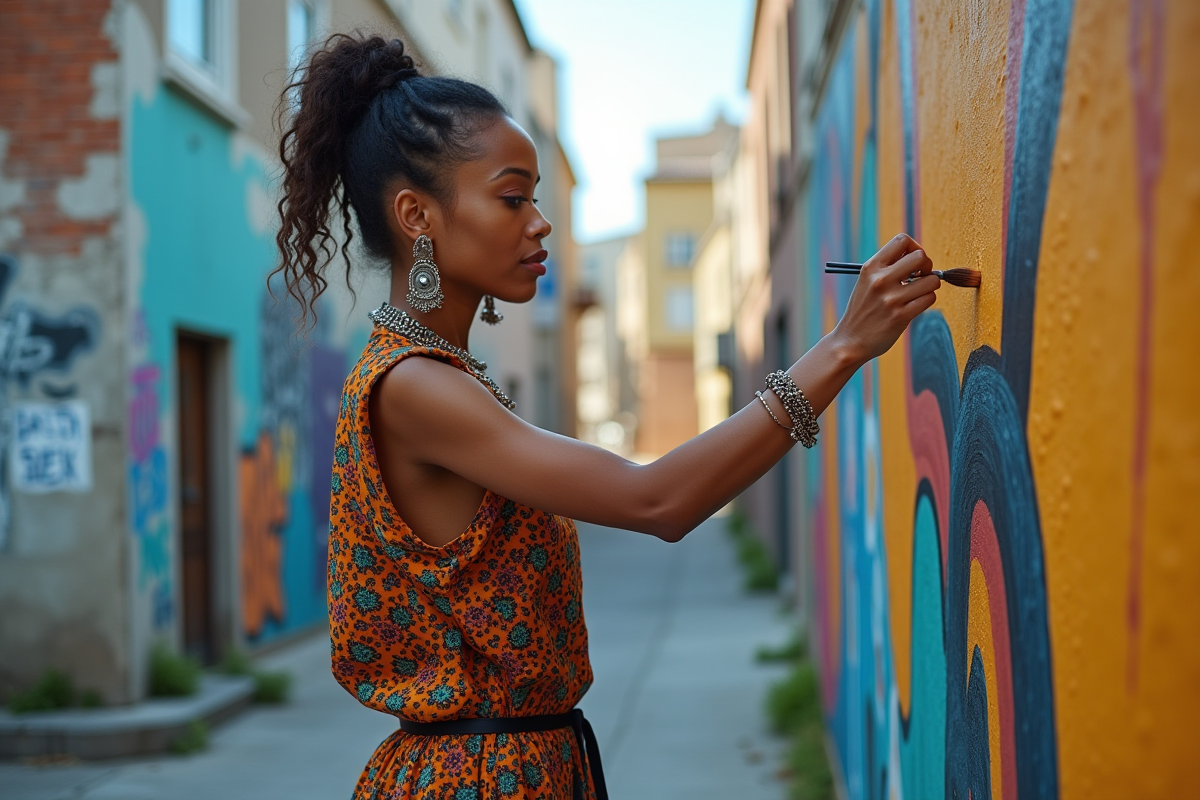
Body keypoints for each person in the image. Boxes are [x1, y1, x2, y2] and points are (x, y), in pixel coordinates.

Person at [273, 32, 939, 800]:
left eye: (536, 198)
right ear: (417, 215)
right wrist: (844, 347)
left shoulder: (435, 375)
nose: (540, 223)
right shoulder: (416, 387)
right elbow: (657, 499)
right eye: (513, 198)